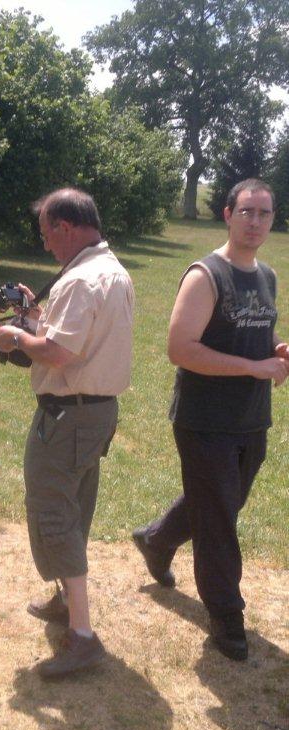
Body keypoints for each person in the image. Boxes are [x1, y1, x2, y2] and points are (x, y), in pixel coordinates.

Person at [133, 179, 289, 661]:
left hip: (251, 418)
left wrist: (275, 349)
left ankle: (156, 539)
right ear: (227, 214)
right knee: (219, 518)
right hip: (204, 420)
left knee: (220, 502)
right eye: (246, 211)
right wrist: (254, 367)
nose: (255, 221)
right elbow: (181, 349)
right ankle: (226, 614)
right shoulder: (206, 275)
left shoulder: (266, 276)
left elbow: (252, 331)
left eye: (264, 213)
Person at [0, 188, 134, 678]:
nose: (46, 243)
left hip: (68, 416)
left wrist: (13, 335)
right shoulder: (110, 270)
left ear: (65, 227)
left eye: (47, 233)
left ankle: (83, 637)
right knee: (74, 506)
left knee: (53, 511)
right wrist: (35, 316)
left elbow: (56, 354)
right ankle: (66, 601)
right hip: (95, 413)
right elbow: (76, 340)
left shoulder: (81, 280)